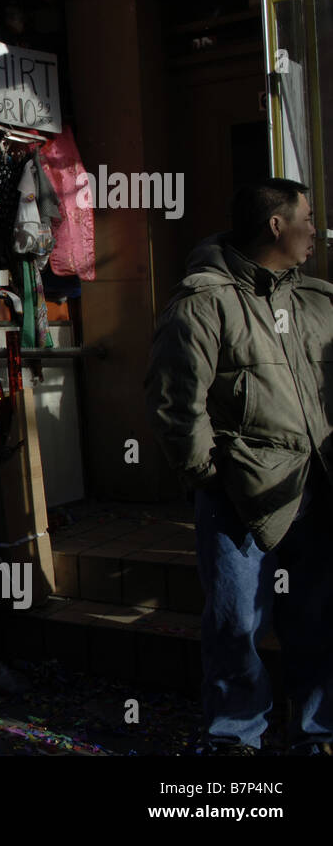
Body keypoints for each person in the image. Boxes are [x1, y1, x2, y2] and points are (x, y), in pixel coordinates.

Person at [146, 178, 333, 756]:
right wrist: (210, 477)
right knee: (235, 625)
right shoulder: (203, 300)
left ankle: (316, 732)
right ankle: (236, 737)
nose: (316, 231)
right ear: (276, 225)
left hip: (315, 489)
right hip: (238, 498)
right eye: (307, 218)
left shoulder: (318, 300)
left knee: (317, 619)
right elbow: (177, 402)